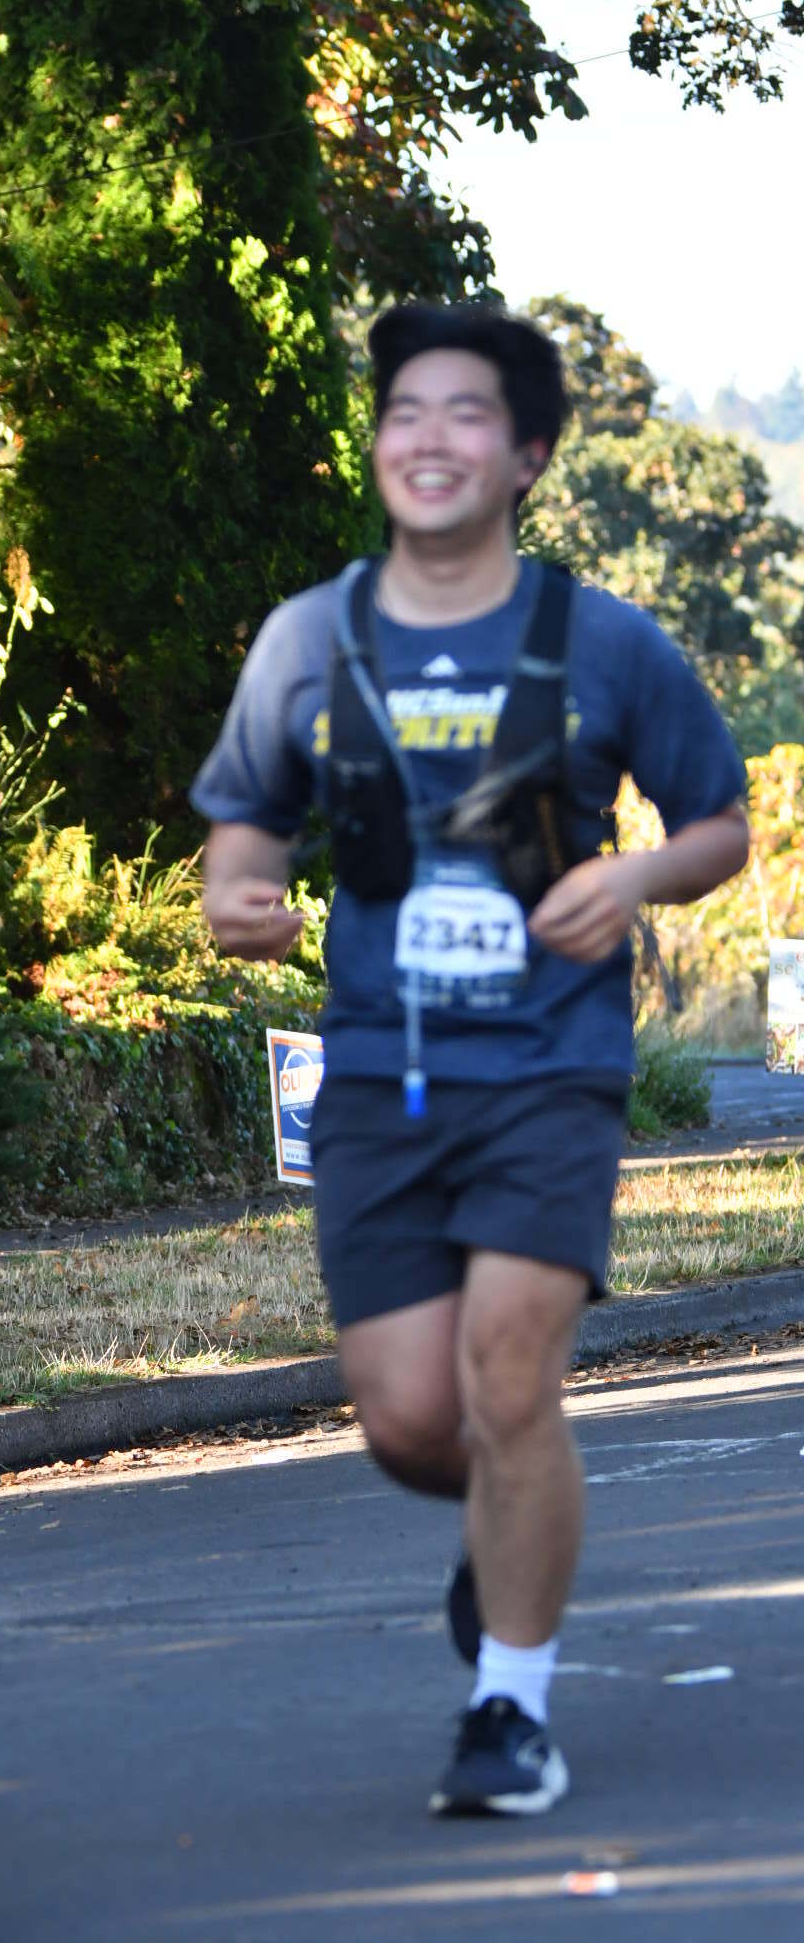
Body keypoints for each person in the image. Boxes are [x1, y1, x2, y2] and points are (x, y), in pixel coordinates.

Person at [193, 303, 748, 1817]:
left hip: (552, 1069)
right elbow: (243, 827)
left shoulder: (604, 642)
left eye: (466, 415)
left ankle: (511, 1703)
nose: (428, 440)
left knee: (510, 1373)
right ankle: (510, 1526)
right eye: (405, 413)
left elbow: (718, 825)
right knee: (410, 1420)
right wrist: (239, 897)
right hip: (380, 1073)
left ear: (528, 456)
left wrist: (634, 879)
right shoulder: (312, 639)